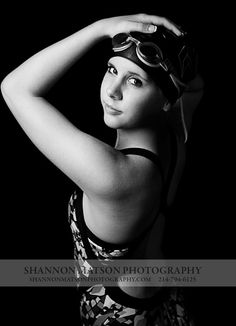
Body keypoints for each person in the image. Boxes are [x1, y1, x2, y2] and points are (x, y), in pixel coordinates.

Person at [1, 13, 203, 325]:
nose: (112, 91)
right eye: (112, 70)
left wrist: (100, 28)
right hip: (167, 298)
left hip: (119, 316)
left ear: (166, 98)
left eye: (135, 81)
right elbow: (193, 87)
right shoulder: (176, 134)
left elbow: (15, 88)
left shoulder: (114, 174)